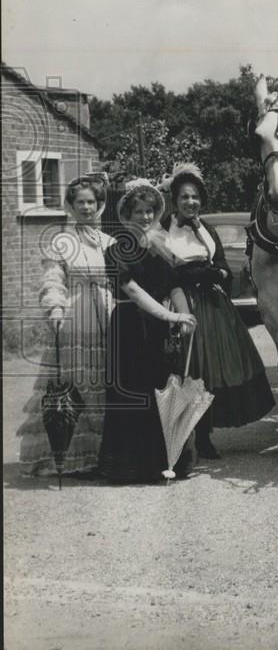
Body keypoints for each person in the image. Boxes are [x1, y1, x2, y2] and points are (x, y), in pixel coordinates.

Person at [160, 163, 275, 458]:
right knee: (185, 369)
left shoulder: (206, 229)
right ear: (175, 199)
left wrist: (216, 274)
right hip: (179, 303)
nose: (191, 203)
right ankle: (177, 435)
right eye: (185, 197)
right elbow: (159, 269)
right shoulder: (164, 227)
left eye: (195, 197)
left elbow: (224, 267)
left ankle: (205, 436)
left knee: (213, 370)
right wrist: (185, 276)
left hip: (212, 307)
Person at [99, 178, 198, 483]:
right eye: (138, 211)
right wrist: (169, 313)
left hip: (157, 331)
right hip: (129, 327)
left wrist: (183, 314)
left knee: (162, 390)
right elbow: (133, 291)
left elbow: (175, 284)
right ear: (126, 215)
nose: (144, 217)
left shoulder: (160, 248)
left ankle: (165, 459)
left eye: (149, 211)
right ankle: (131, 466)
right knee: (133, 392)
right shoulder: (117, 251)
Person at [18, 173, 116, 476]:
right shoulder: (61, 242)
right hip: (75, 319)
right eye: (80, 203)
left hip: (108, 317)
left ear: (99, 205)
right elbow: (52, 280)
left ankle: (105, 455)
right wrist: (56, 309)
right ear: (70, 207)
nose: (86, 208)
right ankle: (72, 456)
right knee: (75, 388)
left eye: (91, 202)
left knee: (106, 386)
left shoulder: (109, 241)